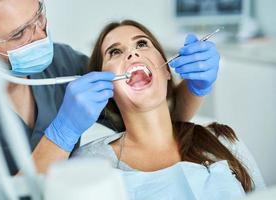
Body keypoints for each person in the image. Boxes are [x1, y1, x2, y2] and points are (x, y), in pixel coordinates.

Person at [0, 0, 220, 177]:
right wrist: (62, 133)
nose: (40, 35)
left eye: (39, 14)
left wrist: (197, 86)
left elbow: (157, 119)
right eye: (20, 33)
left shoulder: (63, 63)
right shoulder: (98, 164)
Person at [72, 20, 266, 199]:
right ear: (105, 87)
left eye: (141, 44)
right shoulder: (90, 164)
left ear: (166, 70)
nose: (132, 54)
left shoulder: (222, 140)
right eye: (115, 52)